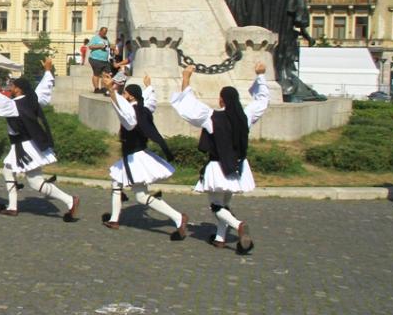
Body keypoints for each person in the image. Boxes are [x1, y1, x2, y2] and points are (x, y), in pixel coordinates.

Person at [170, 62, 269, 253]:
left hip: (218, 167)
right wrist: (261, 76)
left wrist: (186, 78)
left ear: (221, 100)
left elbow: (189, 107)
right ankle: (220, 238)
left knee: (216, 205)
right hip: (238, 167)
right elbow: (262, 101)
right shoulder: (245, 116)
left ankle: (239, 225)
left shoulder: (212, 117)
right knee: (225, 203)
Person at [0, 59, 79, 220]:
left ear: (19, 90)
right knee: (13, 171)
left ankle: (70, 200)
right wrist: (48, 71)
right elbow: (43, 90)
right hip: (27, 145)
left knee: (34, 182)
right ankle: (13, 206)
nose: (11, 87)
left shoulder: (14, 105)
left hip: (24, 146)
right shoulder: (31, 99)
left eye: (13, 86)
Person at [102, 71, 188, 239]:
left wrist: (112, 91)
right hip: (137, 154)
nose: (124, 95)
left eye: (126, 93)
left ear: (131, 96)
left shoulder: (132, 114)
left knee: (141, 197)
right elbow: (149, 100)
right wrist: (148, 86)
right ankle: (114, 219)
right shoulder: (144, 109)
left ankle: (178, 217)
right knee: (116, 181)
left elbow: (124, 113)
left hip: (135, 158)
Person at [88, 27, 111, 94]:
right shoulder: (95, 38)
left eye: (105, 32)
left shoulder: (106, 39)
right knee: (96, 74)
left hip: (105, 60)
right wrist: (99, 46)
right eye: (103, 32)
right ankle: (96, 88)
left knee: (105, 74)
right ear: (100, 31)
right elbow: (90, 46)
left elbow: (108, 46)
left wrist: (113, 47)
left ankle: (103, 88)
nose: (104, 33)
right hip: (95, 59)